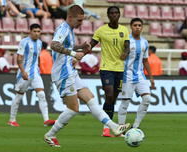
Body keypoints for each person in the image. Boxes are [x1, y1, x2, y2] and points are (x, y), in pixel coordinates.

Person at [44, 5, 130, 147]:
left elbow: (66, 46)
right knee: (73, 108)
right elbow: (53, 45)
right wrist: (73, 54)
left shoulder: (69, 29)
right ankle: (50, 135)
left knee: (90, 99)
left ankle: (114, 127)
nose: (81, 23)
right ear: (70, 17)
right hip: (62, 74)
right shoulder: (63, 28)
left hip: (70, 71)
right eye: (79, 20)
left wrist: (80, 47)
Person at [89, 6, 130, 137]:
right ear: (108, 15)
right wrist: (79, 55)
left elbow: (127, 46)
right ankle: (107, 127)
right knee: (109, 95)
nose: (114, 15)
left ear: (119, 15)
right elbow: (91, 44)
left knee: (113, 99)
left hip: (120, 69)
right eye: (111, 13)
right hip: (106, 68)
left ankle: (109, 126)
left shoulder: (124, 30)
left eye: (116, 13)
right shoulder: (101, 31)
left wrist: (125, 52)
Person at [8, 24, 55, 127]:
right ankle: (12, 119)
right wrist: (23, 71)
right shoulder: (24, 42)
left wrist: (38, 68)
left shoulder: (39, 43)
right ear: (30, 31)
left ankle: (46, 120)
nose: (37, 33)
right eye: (35, 31)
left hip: (35, 73)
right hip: (25, 73)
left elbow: (37, 57)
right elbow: (19, 58)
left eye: (38, 31)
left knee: (42, 95)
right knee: (19, 96)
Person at [118, 18, 155, 130]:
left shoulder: (145, 42)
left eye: (139, 25)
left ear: (142, 27)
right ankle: (121, 128)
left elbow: (145, 60)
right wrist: (126, 51)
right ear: (131, 26)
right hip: (127, 75)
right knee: (125, 102)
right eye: (135, 25)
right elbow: (120, 57)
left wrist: (151, 78)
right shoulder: (126, 40)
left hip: (140, 75)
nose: (137, 27)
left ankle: (135, 126)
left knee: (147, 99)